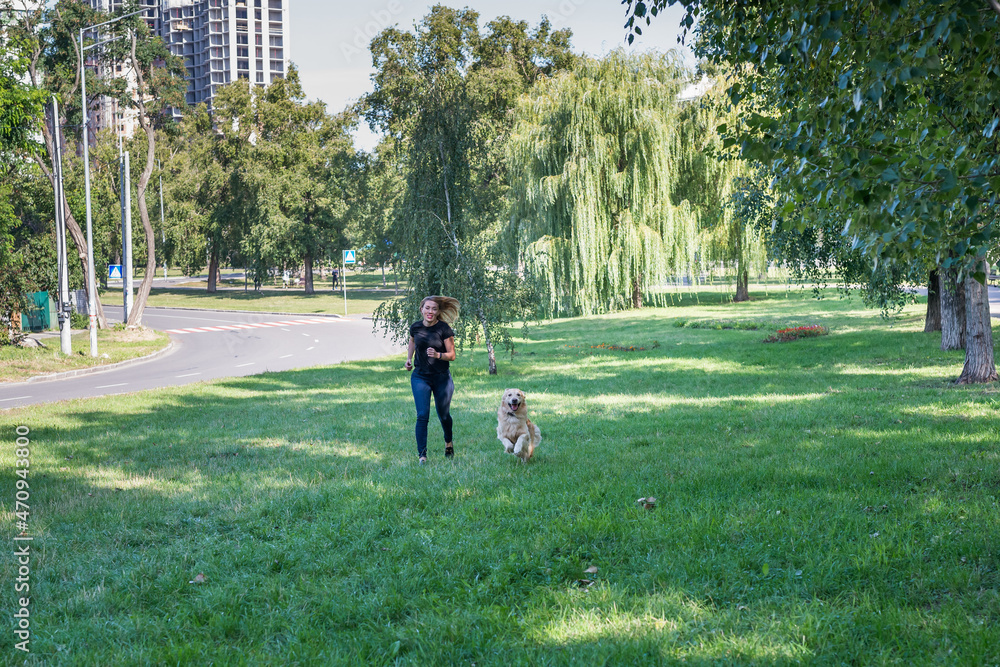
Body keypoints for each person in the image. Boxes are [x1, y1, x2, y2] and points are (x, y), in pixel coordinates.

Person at [405, 295, 459, 464]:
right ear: (421, 309)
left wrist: (438, 355)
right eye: (427, 308)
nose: (430, 311)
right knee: (422, 415)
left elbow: (452, 355)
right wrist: (408, 359)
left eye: (434, 309)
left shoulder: (444, 329)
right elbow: (412, 342)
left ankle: (448, 442)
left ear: (438, 312)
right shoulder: (415, 327)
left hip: (441, 378)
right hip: (420, 377)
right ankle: (422, 455)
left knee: (443, 415)